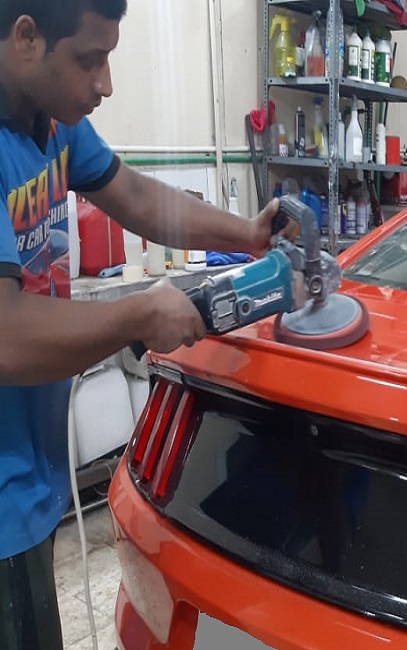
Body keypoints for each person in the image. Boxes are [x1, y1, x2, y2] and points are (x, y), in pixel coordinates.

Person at [0, 1, 292, 647]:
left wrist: (247, 235)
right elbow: (5, 335)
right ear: (25, 38)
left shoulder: (52, 123)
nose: (105, 83)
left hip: (27, 481)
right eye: (90, 59)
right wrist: (138, 313)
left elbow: (134, 197)